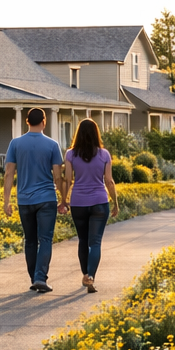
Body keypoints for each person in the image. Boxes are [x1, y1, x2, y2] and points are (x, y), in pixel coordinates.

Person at [3, 107, 66, 293]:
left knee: (30, 240)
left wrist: (6, 202)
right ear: (44, 122)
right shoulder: (52, 145)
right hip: (47, 198)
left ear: (27, 122)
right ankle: (40, 277)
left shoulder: (15, 144)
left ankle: (34, 278)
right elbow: (57, 176)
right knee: (45, 239)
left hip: (24, 200)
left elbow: (8, 173)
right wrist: (63, 200)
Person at [65, 118, 119, 293]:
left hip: (78, 203)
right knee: (95, 242)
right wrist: (116, 203)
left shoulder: (70, 155)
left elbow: (67, 179)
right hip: (99, 202)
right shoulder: (104, 155)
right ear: (96, 133)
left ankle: (85, 275)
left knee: (83, 240)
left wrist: (64, 200)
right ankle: (90, 277)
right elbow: (109, 181)